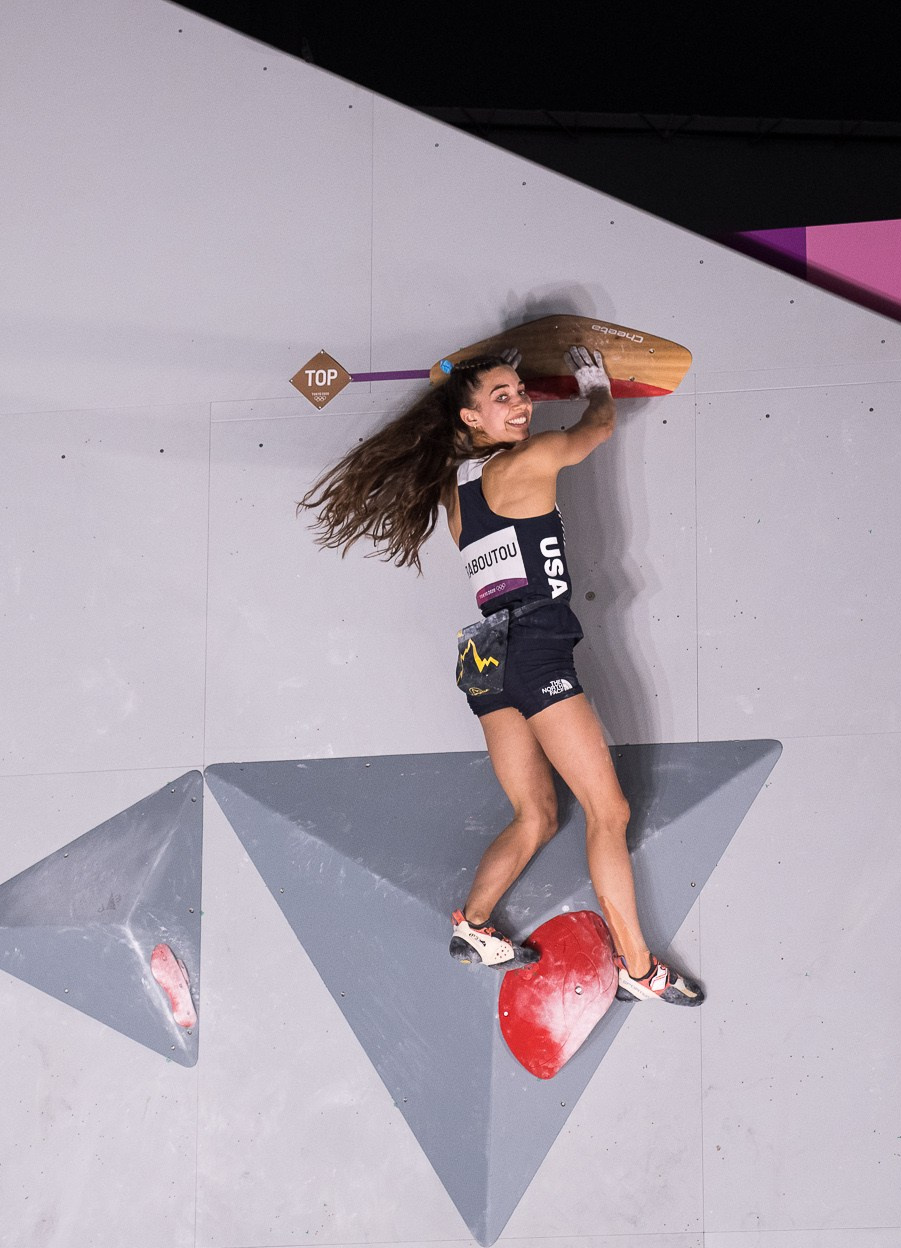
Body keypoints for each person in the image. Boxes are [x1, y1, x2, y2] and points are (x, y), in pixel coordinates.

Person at [298, 345, 701, 1005]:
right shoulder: (531, 460)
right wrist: (595, 384)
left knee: (534, 814)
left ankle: (475, 925)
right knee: (609, 811)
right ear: (469, 416)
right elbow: (598, 427)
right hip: (534, 647)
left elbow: (482, 447)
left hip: (484, 653)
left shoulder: (451, 487)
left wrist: (484, 381)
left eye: (521, 392)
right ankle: (636, 967)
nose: (523, 405)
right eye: (504, 397)